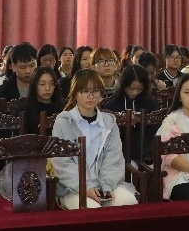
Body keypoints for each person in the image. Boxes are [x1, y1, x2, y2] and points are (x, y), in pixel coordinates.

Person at [50, 70, 138, 209]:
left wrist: (107, 185)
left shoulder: (109, 122)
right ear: (75, 93)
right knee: (92, 210)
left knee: (128, 201)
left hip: (106, 185)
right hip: (73, 187)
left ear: (101, 95)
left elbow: (114, 158)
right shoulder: (63, 122)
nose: (91, 96)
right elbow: (63, 163)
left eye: (96, 91)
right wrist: (86, 187)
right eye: (85, 91)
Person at [22, 67, 63, 134]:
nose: (47, 88)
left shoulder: (62, 108)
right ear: (34, 86)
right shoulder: (26, 110)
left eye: (51, 84)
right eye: (42, 84)